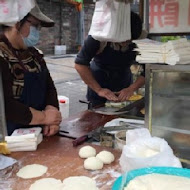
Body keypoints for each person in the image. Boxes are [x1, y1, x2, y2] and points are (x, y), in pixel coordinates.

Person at [0, 3, 62, 136]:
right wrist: (44, 117)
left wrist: (52, 115)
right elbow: (5, 105)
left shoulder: (34, 55)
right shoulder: (2, 56)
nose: (37, 31)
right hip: (9, 139)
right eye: (35, 26)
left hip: (40, 134)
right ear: (17, 23)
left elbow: (49, 87)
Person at [75, 11, 145, 107]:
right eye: (123, 40)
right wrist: (98, 89)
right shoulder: (98, 36)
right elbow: (80, 64)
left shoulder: (141, 38)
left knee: (124, 110)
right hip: (98, 80)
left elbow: (147, 69)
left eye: (129, 41)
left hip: (124, 80)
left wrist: (131, 88)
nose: (125, 44)